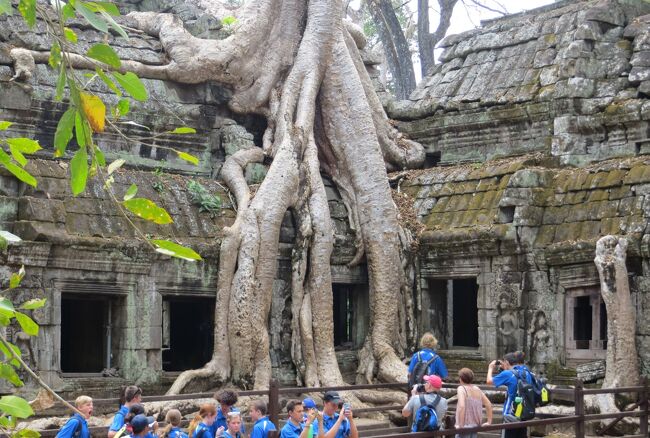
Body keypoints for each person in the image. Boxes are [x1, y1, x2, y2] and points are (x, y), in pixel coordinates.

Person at [487, 352, 532, 438]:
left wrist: (490, 368)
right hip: (523, 413)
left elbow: (489, 381)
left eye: (503, 363)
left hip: (510, 415)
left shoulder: (507, 374)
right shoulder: (526, 372)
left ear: (507, 362)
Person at [455, 368, 492, 438]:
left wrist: (460, 425)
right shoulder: (477, 388)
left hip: (465, 426)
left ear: (461, 378)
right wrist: (489, 421)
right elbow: (488, 404)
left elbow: (462, 406)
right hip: (475, 426)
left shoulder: (461, 389)